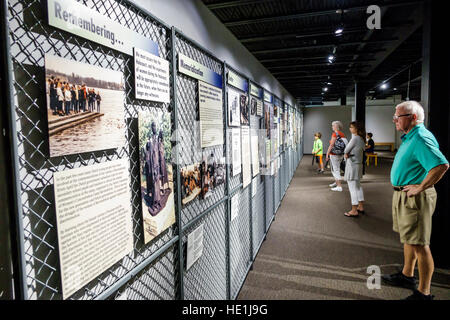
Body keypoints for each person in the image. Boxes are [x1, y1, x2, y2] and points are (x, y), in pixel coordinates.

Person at [381, 101, 448, 300]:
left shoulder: (420, 137)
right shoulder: (410, 136)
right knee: (409, 238)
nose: (394, 120)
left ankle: (424, 293)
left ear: (413, 118)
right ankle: (407, 275)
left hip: (415, 199)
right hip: (403, 195)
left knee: (420, 244)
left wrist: (420, 187)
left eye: (398, 116)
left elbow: (441, 165)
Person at [343, 121, 366, 217]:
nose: (350, 129)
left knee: (352, 188)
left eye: (351, 127)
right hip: (358, 164)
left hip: (352, 165)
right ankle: (360, 206)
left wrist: (346, 153)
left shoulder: (355, 138)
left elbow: (346, 150)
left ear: (356, 128)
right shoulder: (361, 138)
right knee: (358, 186)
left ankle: (354, 210)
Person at [326, 121, 348, 191]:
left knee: (335, 170)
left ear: (337, 127)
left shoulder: (335, 134)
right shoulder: (342, 134)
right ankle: (336, 182)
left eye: (333, 125)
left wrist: (327, 154)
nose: (332, 127)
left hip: (334, 154)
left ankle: (339, 186)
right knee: (337, 168)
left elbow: (331, 145)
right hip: (340, 154)